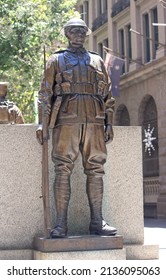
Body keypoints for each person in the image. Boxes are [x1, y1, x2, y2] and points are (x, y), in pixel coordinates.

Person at [36, 18, 117, 238]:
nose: (79, 35)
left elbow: (108, 95)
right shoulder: (56, 60)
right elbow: (45, 93)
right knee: (62, 168)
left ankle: (97, 222)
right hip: (66, 119)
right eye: (74, 31)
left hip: (95, 119)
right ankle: (61, 224)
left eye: (82, 31)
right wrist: (42, 122)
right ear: (67, 34)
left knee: (96, 169)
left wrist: (109, 121)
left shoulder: (97, 60)